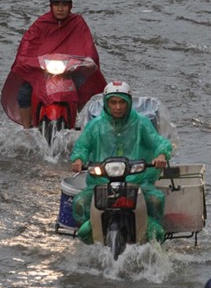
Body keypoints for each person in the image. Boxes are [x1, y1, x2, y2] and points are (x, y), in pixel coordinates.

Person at [70, 80, 172, 243]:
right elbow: (81, 146)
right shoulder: (95, 125)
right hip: (101, 181)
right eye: (113, 102)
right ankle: (92, 241)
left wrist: (161, 156)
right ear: (106, 103)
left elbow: (160, 142)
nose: (118, 107)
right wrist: (78, 159)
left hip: (137, 181)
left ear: (129, 103)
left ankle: (152, 241)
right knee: (80, 203)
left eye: (122, 102)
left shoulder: (141, 123)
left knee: (155, 199)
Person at [1, 0, 107, 129]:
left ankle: (75, 116)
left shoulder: (77, 22)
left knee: (84, 88)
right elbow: (28, 43)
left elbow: (87, 45)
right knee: (23, 94)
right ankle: (26, 129)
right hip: (41, 71)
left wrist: (88, 60)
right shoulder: (41, 24)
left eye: (64, 5)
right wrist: (26, 60)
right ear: (51, 6)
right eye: (57, 4)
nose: (60, 8)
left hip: (70, 70)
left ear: (70, 6)